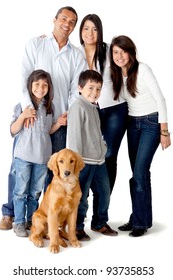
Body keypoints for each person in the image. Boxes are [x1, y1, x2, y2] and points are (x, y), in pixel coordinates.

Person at [0, 6, 86, 230]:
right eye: (63, 18)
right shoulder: (36, 44)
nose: (67, 23)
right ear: (54, 20)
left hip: (58, 121)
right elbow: (24, 76)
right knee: (19, 168)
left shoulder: (76, 54)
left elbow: (77, 88)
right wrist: (28, 108)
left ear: (74, 27)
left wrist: (69, 112)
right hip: (31, 117)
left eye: (72, 21)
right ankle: (10, 213)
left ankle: (42, 216)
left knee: (49, 172)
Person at [109, 35, 171, 237]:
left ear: (131, 52)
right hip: (132, 125)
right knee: (138, 173)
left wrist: (164, 131)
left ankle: (140, 223)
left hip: (151, 124)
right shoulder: (117, 74)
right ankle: (139, 217)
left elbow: (160, 99)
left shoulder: (143, 69)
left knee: (140, 172)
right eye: (115, 52)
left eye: (123, 51)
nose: (119, 56)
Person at [66, 69, 118, 241]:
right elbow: (73, 138)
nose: (94, 93)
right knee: (81, 197)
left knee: (104, 193)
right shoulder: (77, 107)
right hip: (83, 162)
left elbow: (97, 134)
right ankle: (77, 227)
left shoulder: (94, 108)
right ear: (80, 88)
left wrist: (103, 147)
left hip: (99, 161)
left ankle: (99, 222)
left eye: (98, 89)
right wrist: (74, 165)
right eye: (90, 88)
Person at [79, 14, 128, 193]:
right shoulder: (75, 52)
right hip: (89, 110)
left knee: (108, 155)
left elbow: (127, 61)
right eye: (86, 28)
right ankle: (84, 204)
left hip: (114, 109)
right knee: (86, 156)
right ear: (80, 31)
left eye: (94, 29)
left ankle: (102, 208)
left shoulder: (109, 50)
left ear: (100, 31)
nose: (90, 33)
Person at [12, 69, 63, 237]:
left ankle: (31, 220)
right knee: (21, 191)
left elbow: (47, 131)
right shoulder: (22, 105)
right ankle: (18, 222)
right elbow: (12, 130)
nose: (41, 88)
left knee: (35, 192)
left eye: (44, 85)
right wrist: (23, 116)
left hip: (42, 158)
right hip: (24, 156)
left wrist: (59, 123)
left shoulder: (49, 107)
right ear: (30, 86)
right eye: (37, 85)